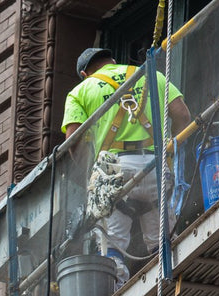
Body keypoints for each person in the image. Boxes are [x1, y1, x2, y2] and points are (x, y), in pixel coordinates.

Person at [63, 47, 192, 283]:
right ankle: (170, 288)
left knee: (111, 246)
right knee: (162, 241)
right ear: (113, 61)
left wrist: (90, 178)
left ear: (84, 73)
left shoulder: (80, 91)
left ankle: (116, 292)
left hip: (114, 171)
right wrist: (171, 152)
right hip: (154, 164)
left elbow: (73, 141)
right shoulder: (152, 75)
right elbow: (182, 115)